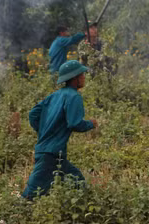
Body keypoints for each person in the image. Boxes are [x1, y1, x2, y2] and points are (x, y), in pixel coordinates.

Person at [21, 60, 97, 199]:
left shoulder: (55, 95)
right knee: (32, 193)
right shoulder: (74, 96)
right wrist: (90, 124)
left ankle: (81, 205)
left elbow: (33, 114)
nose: (84, 77)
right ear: (75, 78)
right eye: (82, 74)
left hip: (53, 152)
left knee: (77, 181)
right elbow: (75, 123)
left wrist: (44, 131)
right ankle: (16, 210)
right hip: (50, 154)